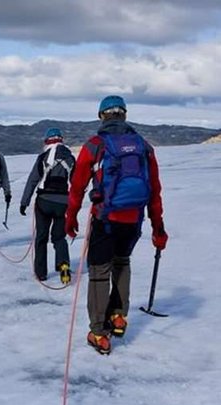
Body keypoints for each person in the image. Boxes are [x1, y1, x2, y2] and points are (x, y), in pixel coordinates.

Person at [65, 95, 168, 355]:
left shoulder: (95, 145)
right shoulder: (143, 146)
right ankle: (119, 317)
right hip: (133, 219)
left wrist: (71, 217)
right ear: (124, 114)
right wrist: (158, 228)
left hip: (106, 218)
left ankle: (98, 332)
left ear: (102, 116)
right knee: (122, 263)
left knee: (99, 272)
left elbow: (77, 187)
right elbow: (154, 190)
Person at [20, 128, 76, 283]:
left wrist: (24, 202)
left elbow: (33, 180)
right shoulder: (70, 158)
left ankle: (41, 273)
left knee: (41, 238)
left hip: (44, 201)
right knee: (59, 237)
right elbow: (77, 184)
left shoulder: (43, 157)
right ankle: (63, 264)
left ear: (47, 141)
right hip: (63, 202)